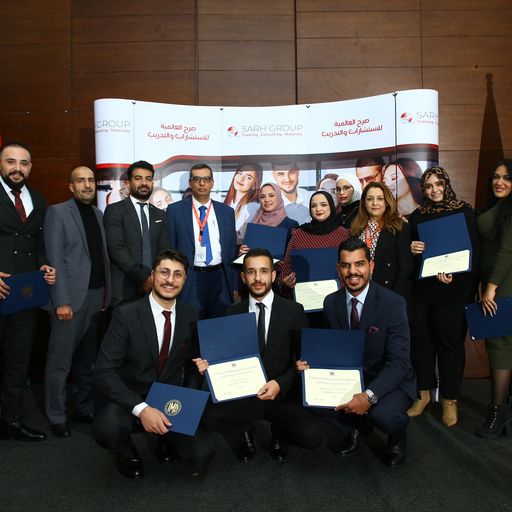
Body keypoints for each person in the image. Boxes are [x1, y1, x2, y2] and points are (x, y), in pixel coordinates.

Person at [92, 249, 214, 478]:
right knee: (107, 429)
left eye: (177, 274)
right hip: (130, 396)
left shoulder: (190, 314)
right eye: (164, 272)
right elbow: (103, 371)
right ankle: (126, 450)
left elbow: (191, 362)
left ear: (185, 279)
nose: (170, 280)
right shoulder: (125, 315)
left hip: (169, 399)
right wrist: (143, 409)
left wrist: (192, 388)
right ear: (153, 275)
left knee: (202, 455)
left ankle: (165, 437)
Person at [194, 249, 322, 463]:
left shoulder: (294, 310)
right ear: (243, 277)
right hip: (244, 395)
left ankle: (279, 430)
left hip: (280, 392)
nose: (258, 278)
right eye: (251, 272)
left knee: (312, 437)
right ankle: (245, 428)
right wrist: (209, 367)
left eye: (263, 271)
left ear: (273, 275)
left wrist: (280, 383)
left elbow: (303, 361)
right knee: (209, 416)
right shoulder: (231, 313)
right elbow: (225, 360)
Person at [298, 237, 416, 466]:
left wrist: (368, 396)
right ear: (338, 269)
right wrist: (309, 365)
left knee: (386, 416)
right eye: (346, 265)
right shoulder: (330, 302)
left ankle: (397, 435)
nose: (353, 272)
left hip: (389, 379)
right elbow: (330, 349)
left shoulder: (394, 303)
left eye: (359, 264)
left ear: (371, 266)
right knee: (311, 398)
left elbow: (399, 363)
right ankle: (357, 427)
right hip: (350, 378)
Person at [407, 166, 479, 426]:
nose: (434, 190)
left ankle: (450, 400)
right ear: (422, 190)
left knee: (450, 344)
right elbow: (411, 257)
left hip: (454, 291)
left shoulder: (465, 212)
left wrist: (456, 276)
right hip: (422, 291)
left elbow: (474, 253)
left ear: (446, 184)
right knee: (421, 342)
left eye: (439, 184)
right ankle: (424, 394)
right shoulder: (417, 217)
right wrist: (412, 248)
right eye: (428, 186)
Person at [43, 166, 111, 438]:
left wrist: (105, 295)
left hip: (96, 297)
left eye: (90, 180)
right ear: (71, 186)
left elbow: (101, 258)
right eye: (80, 181)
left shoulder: (98, 214)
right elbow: (55, 258)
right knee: (60, 363)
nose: (87, 185)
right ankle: (56, 416)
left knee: (87, 360)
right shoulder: (57, 212)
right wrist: (61, 301)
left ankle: (83, 408)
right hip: (69, 300)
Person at [0, 142, 56, 442]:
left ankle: (13, 421)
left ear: (30, 167)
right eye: (11, 161)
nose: (17, 168)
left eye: (23, 163)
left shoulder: (38, 199)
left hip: (25, 296)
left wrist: (45, 265)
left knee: (18, 362)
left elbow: (37, 243)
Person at [167, 163, 237, 319]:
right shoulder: (175, 210)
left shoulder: (226, 212)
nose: (202, 183)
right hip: (190, 277)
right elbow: (170, 248)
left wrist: (234, 284)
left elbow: (231, 250)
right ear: (190, 183)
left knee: (219, 324)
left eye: (206, 179)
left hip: (220, 276)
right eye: (197, 179)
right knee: (190, 323)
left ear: (212, 183)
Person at [476, 159, 512, 438]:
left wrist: (490, 288)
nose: (499, 182)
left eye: (507, 178)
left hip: (503, 284)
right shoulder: (497, 207)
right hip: (494, 283)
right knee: (499, 344)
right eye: (496, 176)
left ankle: (498, 411)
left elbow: (507, 251)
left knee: (499, 344)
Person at [103, 160, 170, 307]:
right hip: (124, 289)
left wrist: (155, 278)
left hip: (155, 287)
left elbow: (164, 250)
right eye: (138, 178)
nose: (144, 183)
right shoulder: (114, 210)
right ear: (128, 183)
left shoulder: (161, 214)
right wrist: (144, 277)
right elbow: (116, 248)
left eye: (148, 179)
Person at [350, 182, 413, 299]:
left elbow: (406, 269)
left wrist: (395, 298)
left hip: (389, 293)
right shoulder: (355, 228)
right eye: (370, 199)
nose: (375, 203)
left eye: (380, 199)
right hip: (359, 292)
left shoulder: (400, 227)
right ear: (364, 202)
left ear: (387, 202)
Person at [278, 191, 349, 294]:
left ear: (331, 207)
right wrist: (286, 281)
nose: (318, 209)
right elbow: (286, 265)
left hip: (336, 295)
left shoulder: (343, 234)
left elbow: (348, 267)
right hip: (305, 295)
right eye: (313, 206)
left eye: (323, 205)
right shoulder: (299, 234)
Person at [223, 163, 262, 242]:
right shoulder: (227, 203)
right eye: (239, 173)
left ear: (255, 183)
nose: (241, 179)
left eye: (248, 177)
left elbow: (240, 237)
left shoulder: (251, 207)